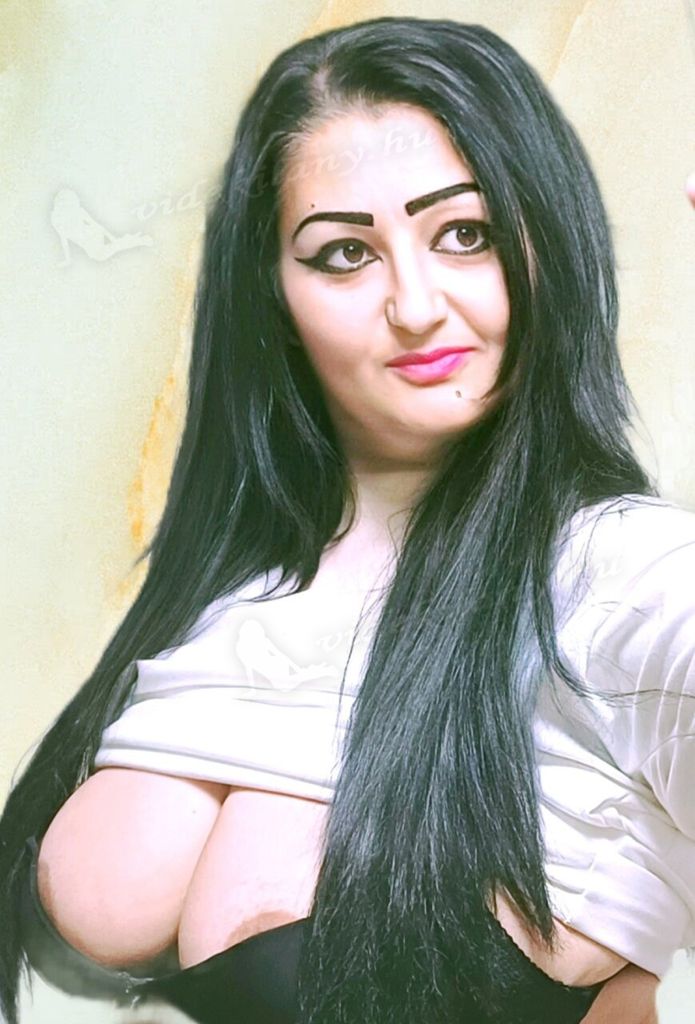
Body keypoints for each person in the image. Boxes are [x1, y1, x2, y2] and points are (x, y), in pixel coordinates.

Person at [1, 16, 694, 1024]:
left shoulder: (618, 573)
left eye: (464, 234)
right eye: (343, 253)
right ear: (274, 295)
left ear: (545, 239)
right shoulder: (226, 593)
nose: (414, 305)